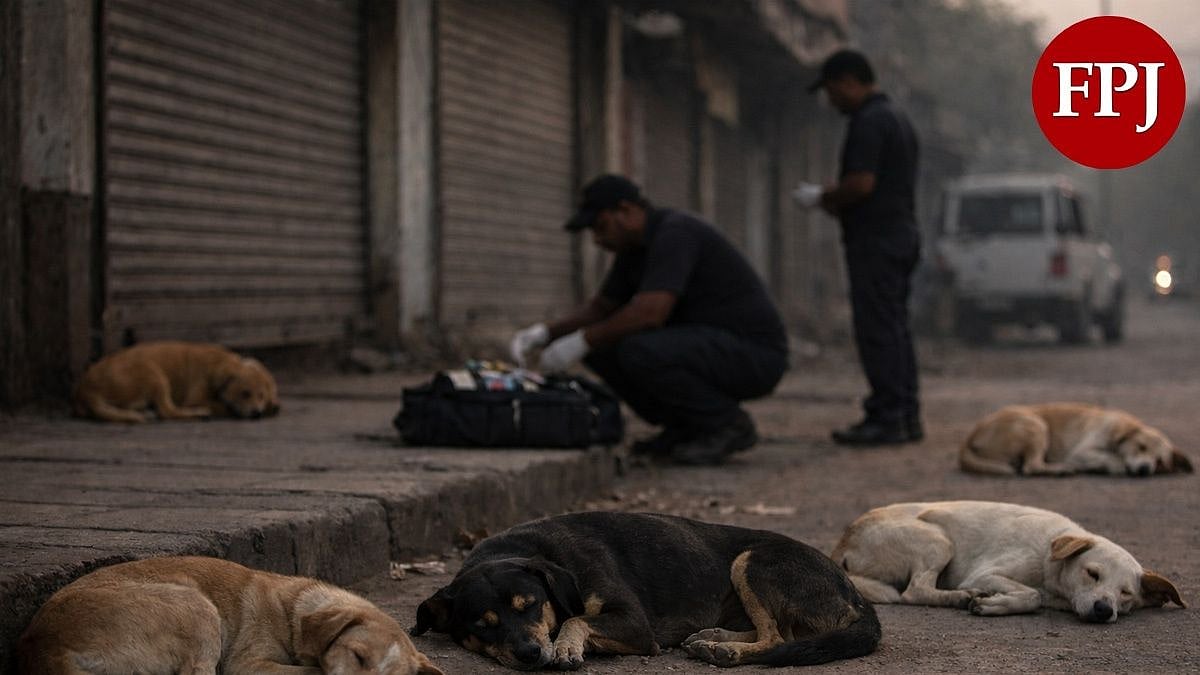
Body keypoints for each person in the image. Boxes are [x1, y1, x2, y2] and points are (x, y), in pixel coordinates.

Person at [510, 174, 789, 465]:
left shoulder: (676, 233)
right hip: (709, 349)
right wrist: (544, 334)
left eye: (601, 226)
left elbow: (650, 314)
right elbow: (601, 309)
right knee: (604, 349)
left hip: (756, 354)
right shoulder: (634, 250)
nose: (597, 239)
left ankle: (727, 424)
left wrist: (581, 340)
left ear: (627, 210)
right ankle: (686, 427)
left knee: (639, 350)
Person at [808, 49, 922, 445]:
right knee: (894, 328)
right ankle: (905, 413)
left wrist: (826, 197)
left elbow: (861, 183)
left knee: (878, 328)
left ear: (848, 81)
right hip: (899, 234)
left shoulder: (869, 121)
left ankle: (888, 417)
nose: (831, 100)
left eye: (832, 90)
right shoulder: (896, 117)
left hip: (878, 240)